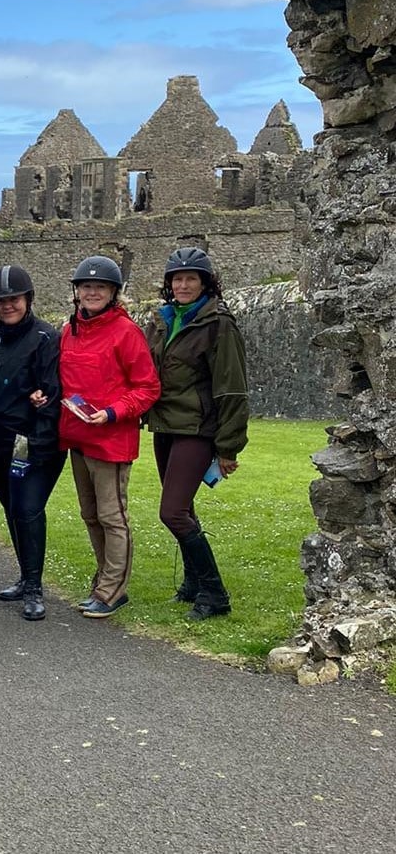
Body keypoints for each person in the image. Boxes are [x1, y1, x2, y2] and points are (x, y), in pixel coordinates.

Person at [144, 247, 248, 620]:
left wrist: (229, 447)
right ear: (169, 284)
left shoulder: (218, 323)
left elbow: (232, 388)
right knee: (184, 508)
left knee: (171, 512)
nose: (183, 284)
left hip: (198, 428)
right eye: (177, 278)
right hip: (166, 426)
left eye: (191, 278)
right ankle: (193, 584)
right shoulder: (163, 320)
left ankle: (216, 592)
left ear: (205, 282)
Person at [58, 255, 160, 619]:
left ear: (114, 292)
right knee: (90, 515)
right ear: (77, 291)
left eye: (100, 287)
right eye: (86, 286)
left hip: (111, 438)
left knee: (112, 515)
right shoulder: (69, 330)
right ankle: (104, 581)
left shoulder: (125, 332)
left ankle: (113, 590)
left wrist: (114, 411)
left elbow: (148, 387)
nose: (92, 292)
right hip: (78, 436)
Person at [0, 265, 66, 622]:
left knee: (28, 509)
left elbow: (53, 391)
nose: (7, 306)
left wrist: (42, 440)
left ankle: (33, 587)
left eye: (13, 299)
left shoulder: (48, 338)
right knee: (11, 508)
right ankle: (23, 576)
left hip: (34, 440)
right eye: (0, 300)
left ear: (28, 299)